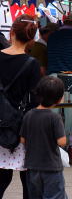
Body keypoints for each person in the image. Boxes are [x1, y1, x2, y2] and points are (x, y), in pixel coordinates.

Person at [0, 14, 40, 199]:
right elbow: (34, 101)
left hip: (1, 124)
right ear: (31, 38)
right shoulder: (32, 64)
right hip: (21, 126)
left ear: (12, 33)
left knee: (1, 177)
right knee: (29, 181)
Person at [20, 76, 67, 199]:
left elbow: (22, 140)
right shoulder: (54, 118)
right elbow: (62, 142)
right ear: (59, 99)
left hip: (32, 168)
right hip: (51, 168)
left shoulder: (28, 115)